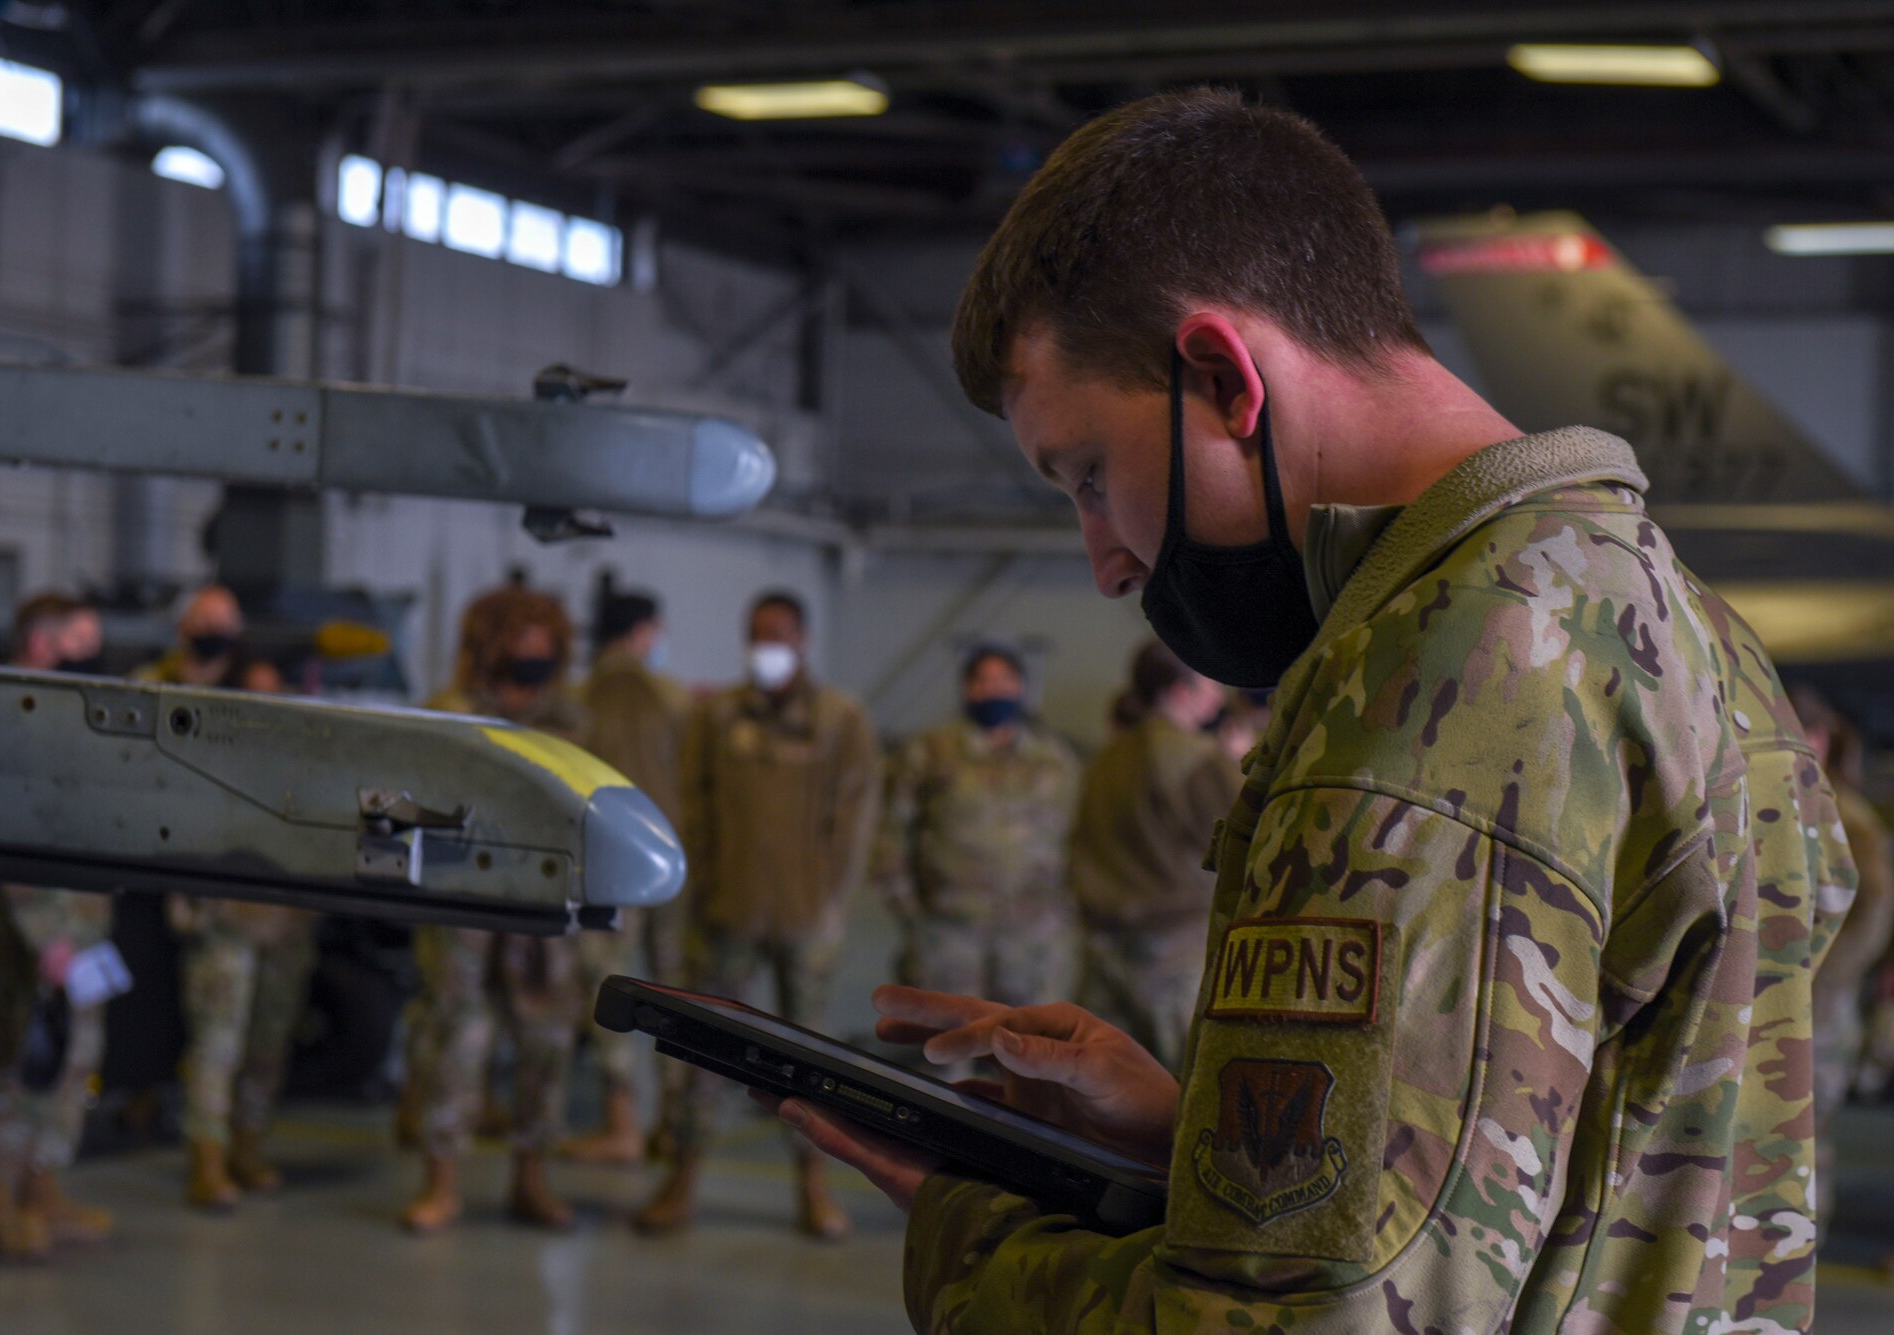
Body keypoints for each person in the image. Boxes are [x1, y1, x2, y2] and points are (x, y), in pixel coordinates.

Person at [772, 90, 1849, 1335]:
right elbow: (1568, 1190)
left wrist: (973, 1241)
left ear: (1226, 378)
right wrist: (1210, 1145)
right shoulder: (1682, 622)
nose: (1105, 565)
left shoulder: (1432, 691)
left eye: (1085, 477)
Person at [632, 590, 881, 1240]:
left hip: (805, 921)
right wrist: (703, 891)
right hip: (725, 913)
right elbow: (694, 804)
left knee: (809, 1061)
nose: (766, 648)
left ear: (803, 640)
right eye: (756, 635)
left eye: (778, 635)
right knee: (705, 1050)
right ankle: (681, 1177)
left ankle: (813, 1186)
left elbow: (852, 822)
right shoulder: (717, 718)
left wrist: (826, 901)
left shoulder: (838, 719)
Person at [399, 584, 587, 1233]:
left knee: (546, 1043)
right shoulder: (447, 714)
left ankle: (531, 1179)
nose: (530, 653)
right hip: (463, 905)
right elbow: (400, 810)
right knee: (458, 1036)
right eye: (516, 637)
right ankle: (441, 1181)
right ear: (485, 645)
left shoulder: (571, 720)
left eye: (543, 640)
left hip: (543, 906)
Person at [0, 594, 118, 1260]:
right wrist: (46, 933)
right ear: (40, 637)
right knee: (16, 1056)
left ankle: (40, 1187)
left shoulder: (61, 712)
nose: (95, 650)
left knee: (64, 1060)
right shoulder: (13, 712)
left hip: (74, 921)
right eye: (81, 636)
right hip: (37, 926)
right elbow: (8, 835)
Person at [874, 644, 1080, 1022]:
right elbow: (890, 833)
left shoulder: (1054, 759)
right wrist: (909, 911)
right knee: (947, 1044)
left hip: (1031, 937)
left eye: (1004, 680)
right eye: (982, 681)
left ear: (1021, 687)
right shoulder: (929, 752)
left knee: (1031, 1047)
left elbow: (1077, 839)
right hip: (949, 932)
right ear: (966, 689)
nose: (994, 690)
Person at [178, 656, 319, 1212]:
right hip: (227, 922)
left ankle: (247, 1146)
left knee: (268, 1043)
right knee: (218, 1045)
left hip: (285, 922)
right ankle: (206, 1159)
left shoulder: (300, 760)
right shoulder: (208, 760)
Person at [558, 589, 689, 1165]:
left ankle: (621, 1122)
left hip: (607, 870)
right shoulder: (679, 701)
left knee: (608, 989)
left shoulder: (576, 701)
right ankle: (676, 1125)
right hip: (676, 867)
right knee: (677, 995)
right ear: (643, 632)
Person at [1068, 641, 1238, 1068]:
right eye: (1209, 685)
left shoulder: (1106, 758)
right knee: (1183, 1095)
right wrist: (1239, 770)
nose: (1218, 697)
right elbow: (1243, 849)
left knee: (1102, 1088)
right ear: (1180, 692)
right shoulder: (1200, 759)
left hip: (1103, 951)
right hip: (1175, 957)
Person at [1788, 685, 1894, 1229]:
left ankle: (1797, 1254)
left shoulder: (1846, 817)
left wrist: (1817, 978)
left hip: (1821, 1011)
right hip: (1801, 1002)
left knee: (1806, 1139)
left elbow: (1874, 911)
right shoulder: (1803, 805)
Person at [136, 584, 244, 686]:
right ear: (182, 625)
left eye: (223, 625)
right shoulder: (148, 682)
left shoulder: (248, 683)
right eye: (206, 622)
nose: (215, 631)